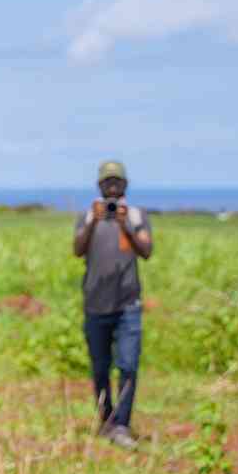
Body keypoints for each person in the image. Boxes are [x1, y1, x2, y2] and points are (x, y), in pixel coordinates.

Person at [75, 159, 152, 448]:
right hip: (95, 306)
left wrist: (125, 226)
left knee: (129, 365)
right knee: (100, 368)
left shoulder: (135, 216)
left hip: (127, 306)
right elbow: (77, 249)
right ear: (99, 186)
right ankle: (106, 422)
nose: (112, 187)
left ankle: (122, 425)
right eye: (107, 182)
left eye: (117, 182)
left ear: (125, 186)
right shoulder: (88, 216)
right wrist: (95, 221)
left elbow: (146, 251)